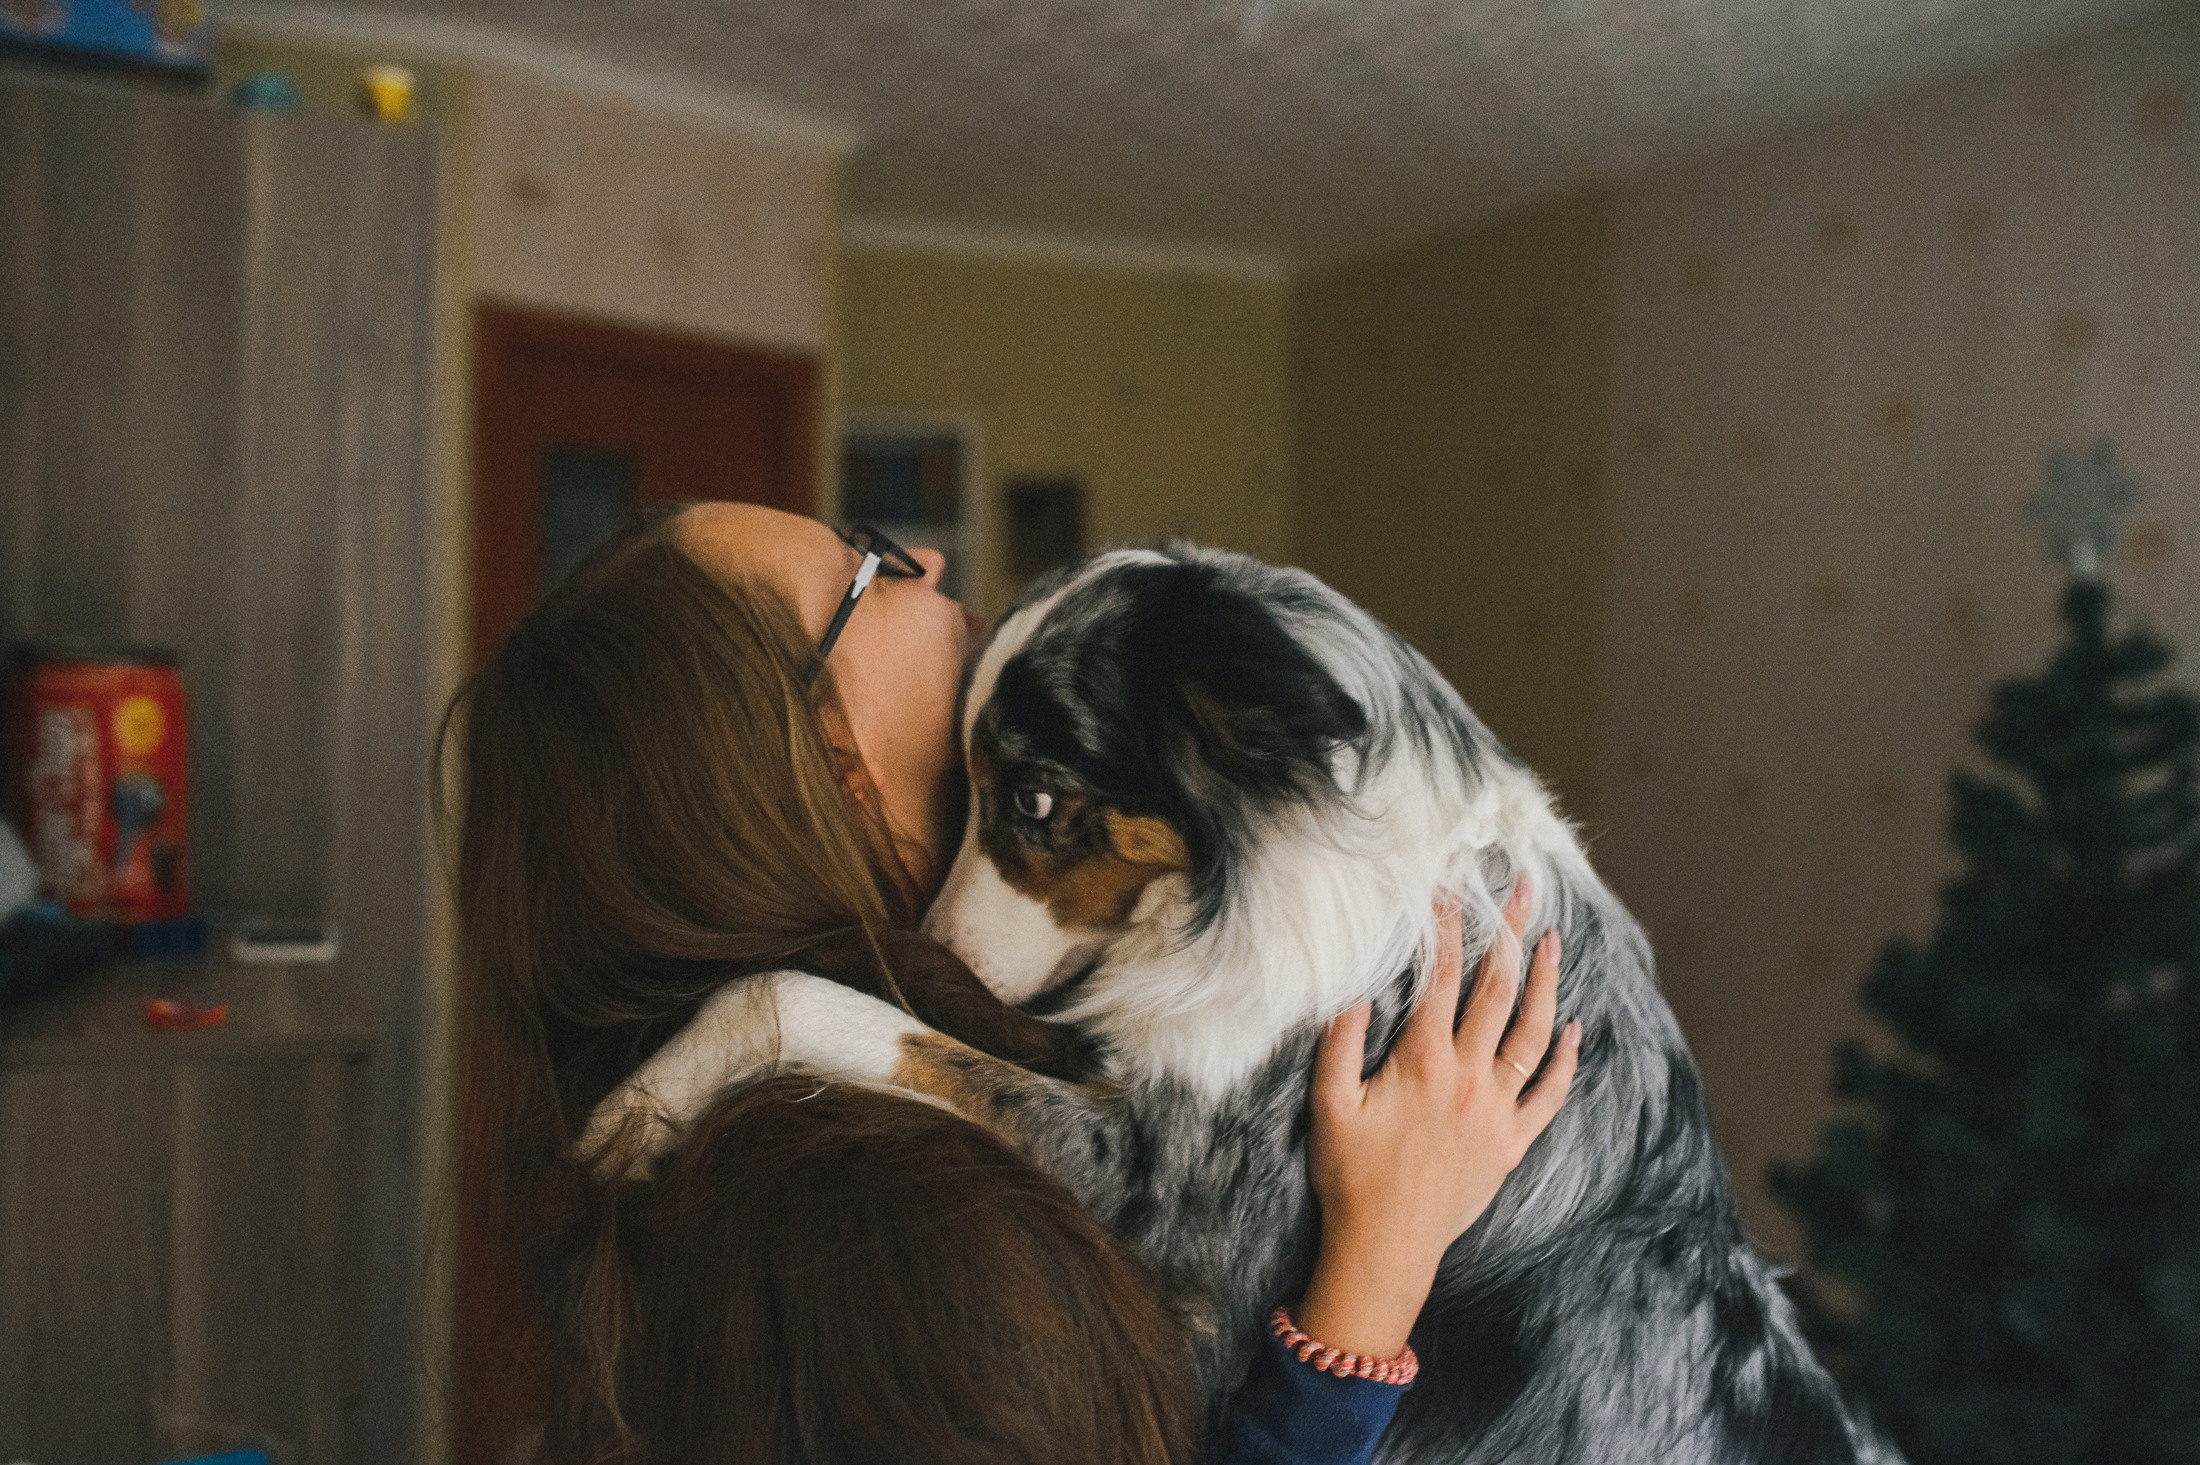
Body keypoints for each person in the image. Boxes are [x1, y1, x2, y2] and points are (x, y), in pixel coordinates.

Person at [447, 502, 1580, 1465]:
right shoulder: (870, 1213)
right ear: (832, 763)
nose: (926, 562)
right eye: (868, 561)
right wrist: (1376, 1269)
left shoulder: (887, 1061)